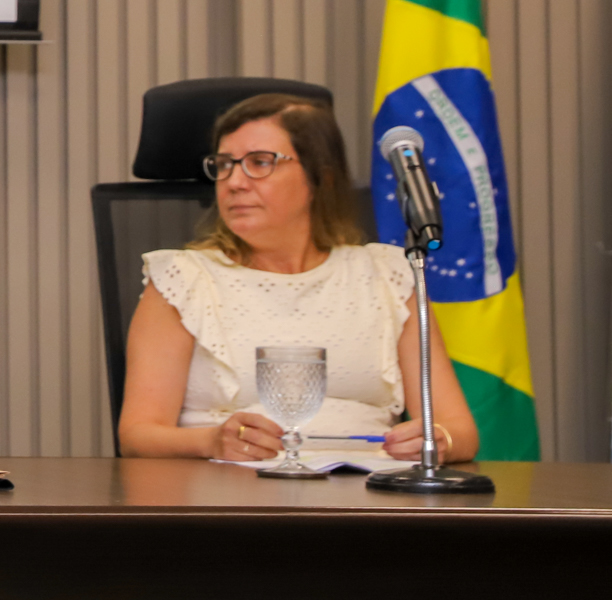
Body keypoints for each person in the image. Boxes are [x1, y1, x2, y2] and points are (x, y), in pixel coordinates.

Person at [118, 93, 479, 463]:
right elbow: (137, 435)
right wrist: (210, 442)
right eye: (225, 165)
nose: (234, 182)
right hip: (229, 494)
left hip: (367, 498)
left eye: (259, 163)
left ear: (319, 176)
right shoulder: (182, 279)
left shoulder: (389, 275)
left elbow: (459, 431)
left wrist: (438, 441)